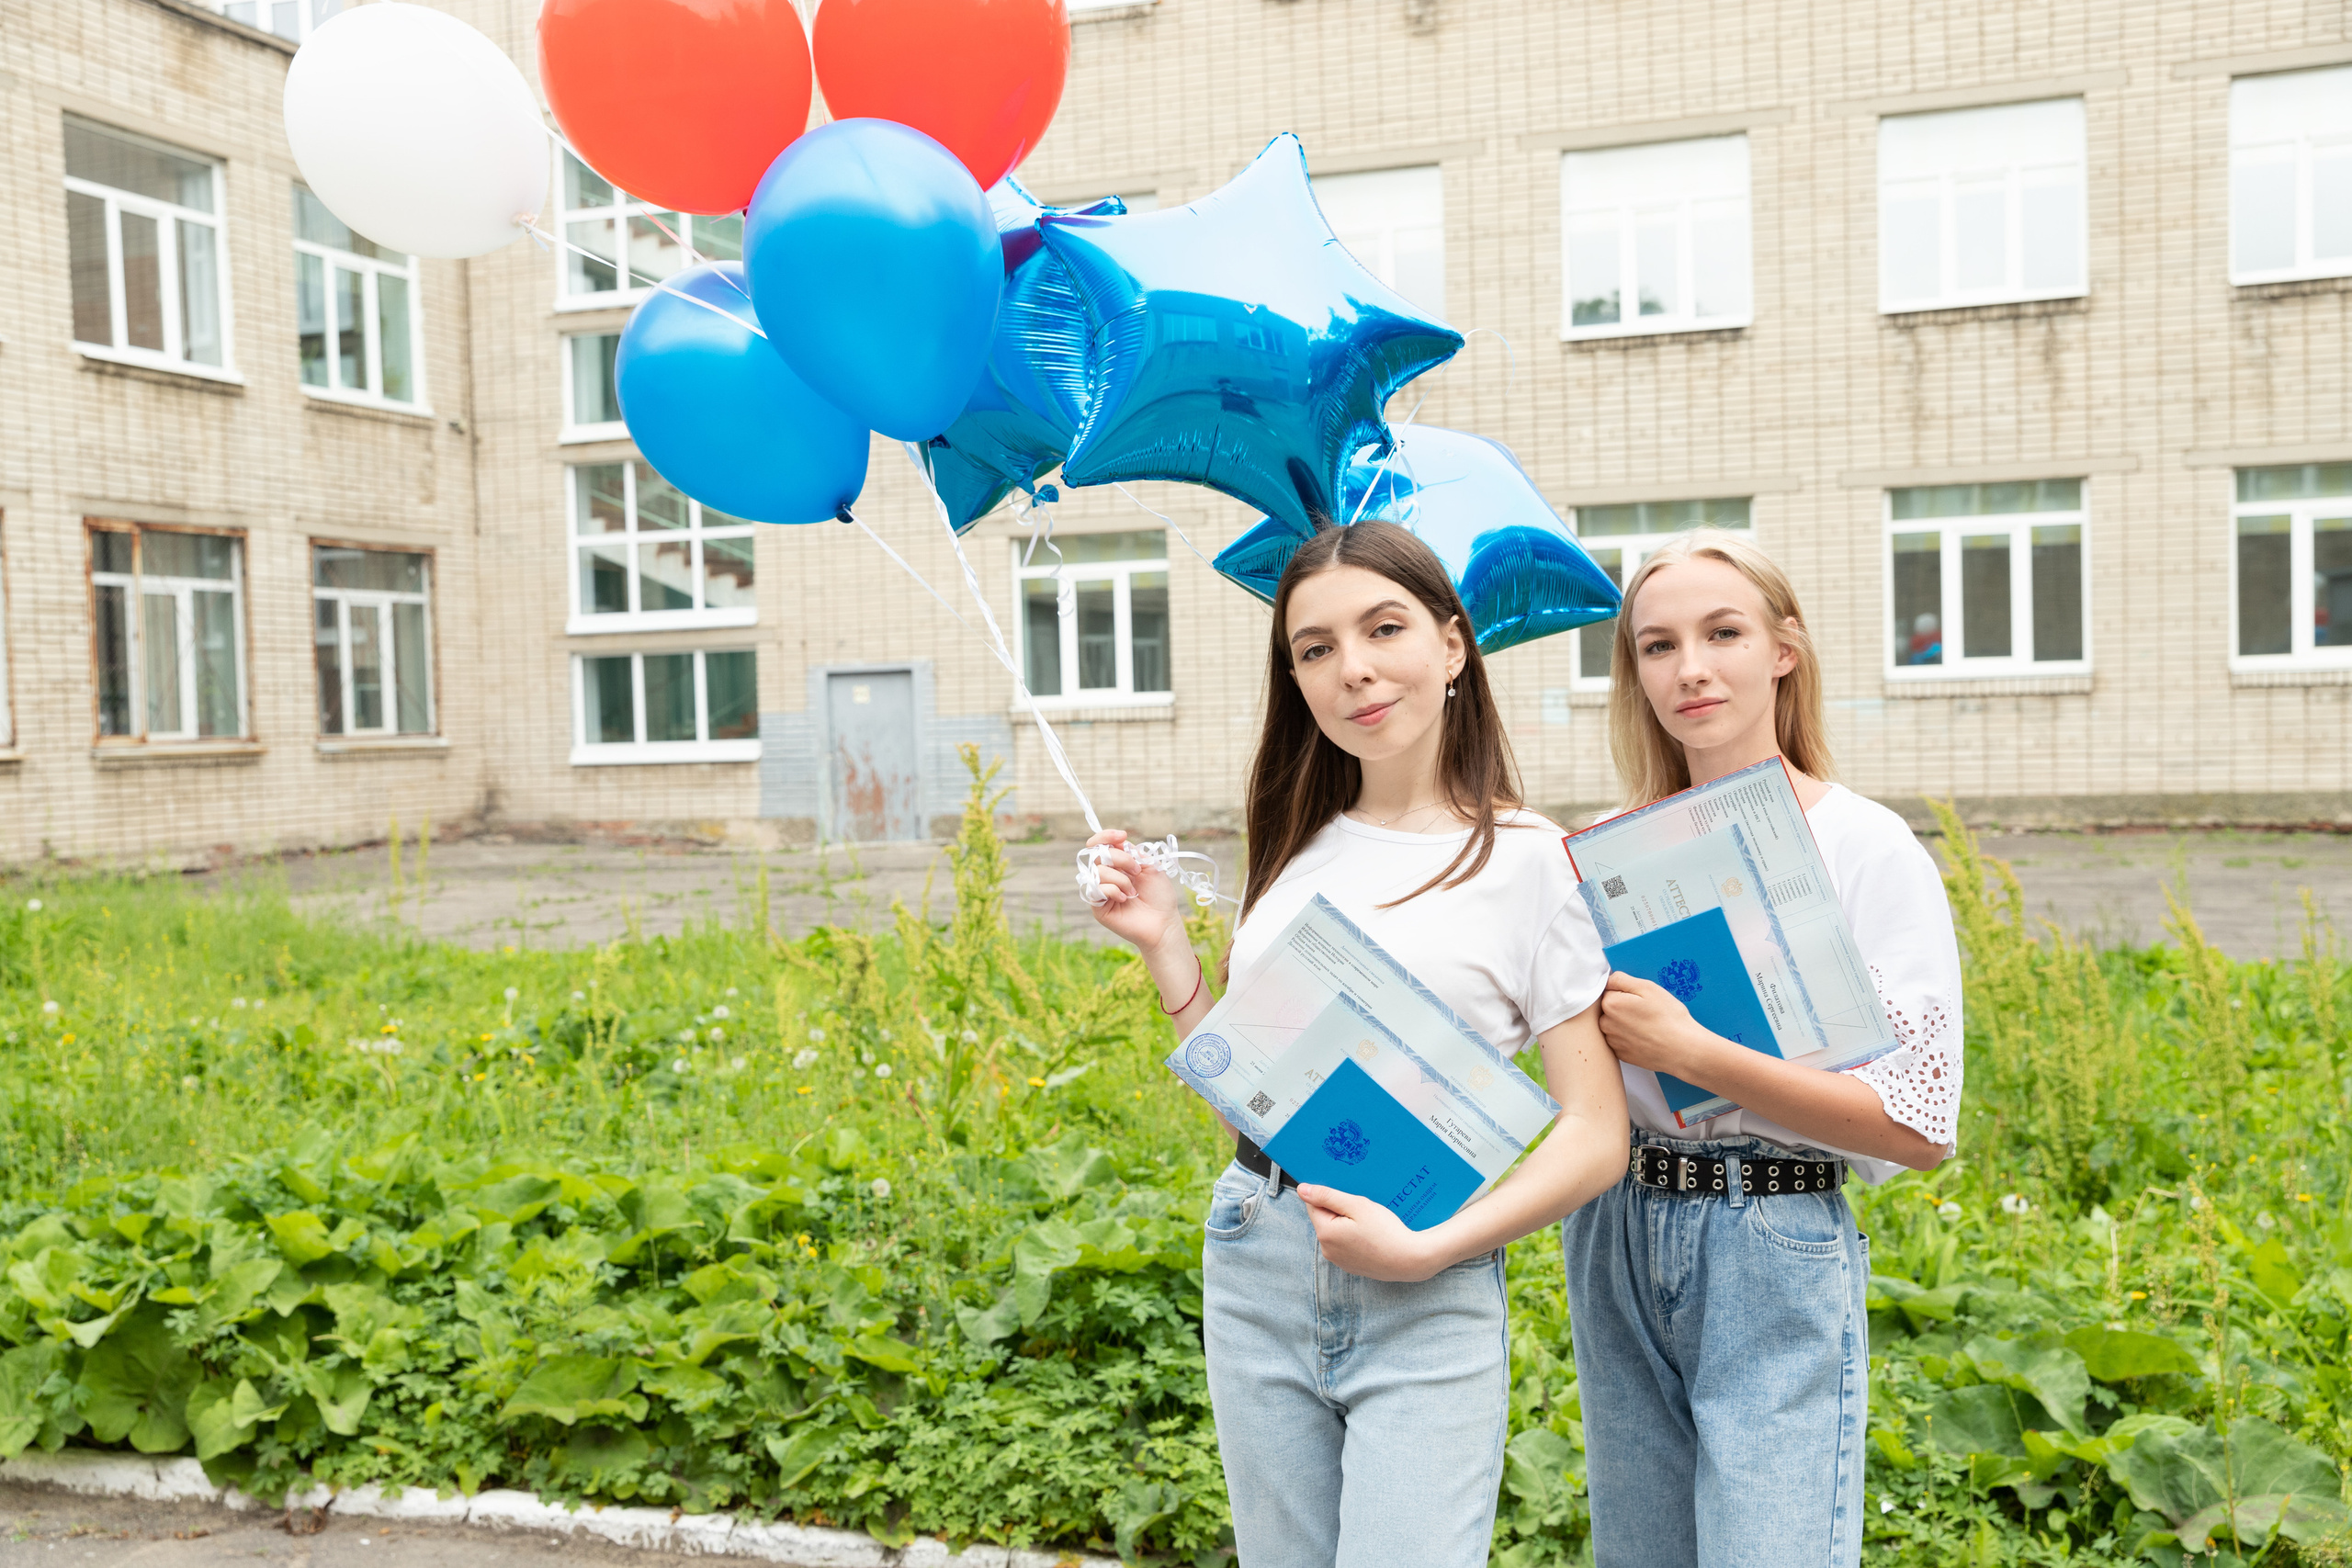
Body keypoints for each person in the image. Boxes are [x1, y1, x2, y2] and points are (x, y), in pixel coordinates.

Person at [1083, 519, 1629, 1568]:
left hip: (1427, 1275)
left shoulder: (1534, 861)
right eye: (1315, 649)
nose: (1353, 671)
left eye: (1384, 628)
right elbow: (1261, 1096)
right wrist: (1166, 951)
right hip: (1258, 1249)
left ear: (1453, 645)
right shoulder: (1297, 844)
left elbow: (1596, 1134)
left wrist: (1426, 1249)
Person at [1566, 530, 1963, 1567]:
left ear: (1782, 650)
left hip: (1771, 1232)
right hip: (1617, 1232)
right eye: (1656, 646)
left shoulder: (1862, 846)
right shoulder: (1604, 852)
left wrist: (1695, 1051)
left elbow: (1917, 1127)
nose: (1689, 668)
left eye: (1722, 632)